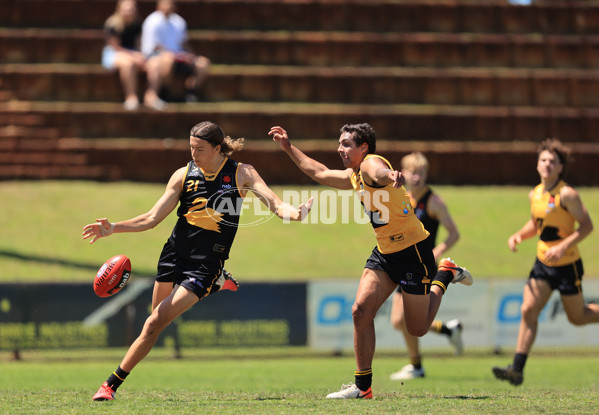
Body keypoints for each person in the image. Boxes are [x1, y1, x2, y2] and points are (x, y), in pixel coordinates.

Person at [84, 121, 313, 401]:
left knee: (154, 322)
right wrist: (114, 228)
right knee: (155, 321)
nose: (193, 153)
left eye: (200, 149)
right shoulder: (183, 174)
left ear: (218, 148)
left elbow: (275, 204)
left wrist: (296, 213)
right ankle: (216, 285)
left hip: (206, 261)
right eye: (191, 147)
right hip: (174, 253)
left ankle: (109, 385)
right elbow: (151, 218)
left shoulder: (242, 174)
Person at [269, 124, 473, 399]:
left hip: (413, 252)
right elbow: (317, 171)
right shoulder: (354, 176)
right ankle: (363, 387)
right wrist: (288, 147)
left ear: (363, 147)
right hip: (385, 252)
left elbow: (378, 171)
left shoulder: (369, 164)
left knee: (418, 328)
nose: (340, 148)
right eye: (339, 143)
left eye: (346, 143)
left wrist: (390, 174)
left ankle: (446, 273)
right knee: (360, 311)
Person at [492, 138, 598, 386]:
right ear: (537, 164)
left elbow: (587, 226)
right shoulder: (535, 193)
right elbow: (536, 224)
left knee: (578, 317)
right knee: (528, 310)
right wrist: (519, 235)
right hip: (543, 263)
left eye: (553, 161)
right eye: (543, 160)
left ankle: (517, 369)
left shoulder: (568, 194)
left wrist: (562, 248)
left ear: (561, 167)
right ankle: (516, 369)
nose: (547, 165)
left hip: (567, 264)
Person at [389, 152, 463, 382]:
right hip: (403, 263)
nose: (416, 176)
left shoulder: (433, 201)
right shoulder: (402, 197)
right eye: (412, 172)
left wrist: (437, 252)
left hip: (422, 266)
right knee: (398, 321)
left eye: (421, 173)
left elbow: (454, 233)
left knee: (406, 321)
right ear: (403, 173)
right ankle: (447, 330)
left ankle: (417, 365)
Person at [141, 0, 211, 108]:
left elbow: (184, 43)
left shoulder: (179, 21)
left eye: (171, 4)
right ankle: (165, 94)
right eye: (166, 3)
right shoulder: (152, 21)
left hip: (179, 56)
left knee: (203, 63)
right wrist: (171, 54)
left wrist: (190, 54)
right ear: (159, 5)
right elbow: (153, 46)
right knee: (168, 59)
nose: (169, 6)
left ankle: (190, 94)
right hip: (157, 55)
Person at [101, 0, 153, 111]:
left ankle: (152, 96)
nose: (129, 11)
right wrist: (134, 56)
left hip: (132, 53)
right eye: (126, 9)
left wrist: (140, 56)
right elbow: (115, 47)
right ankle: (131, 97)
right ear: (119, 9)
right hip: (113, 53)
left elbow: (139, 45)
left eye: (131, 9)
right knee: (128, 63)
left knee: (153, 64)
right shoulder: (112, 24)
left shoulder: (138, 24)